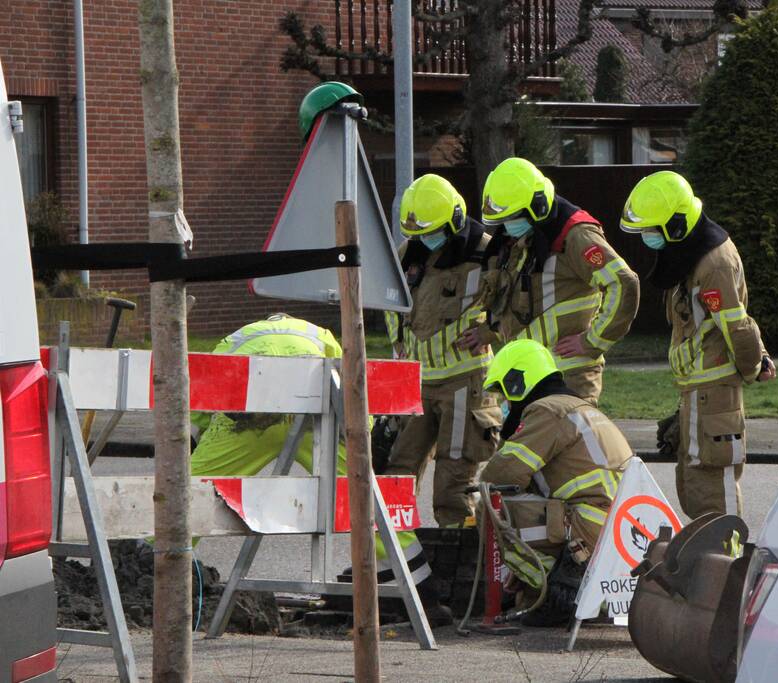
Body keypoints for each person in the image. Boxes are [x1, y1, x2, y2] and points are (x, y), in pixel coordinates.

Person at [190, 314, 451, 624]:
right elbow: (350, 388)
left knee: (191, 492)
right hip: (316, 419)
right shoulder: (319, 334)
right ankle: (424, 597)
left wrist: (198, 445)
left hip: (251, 421)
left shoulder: (232, 342)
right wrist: (362, 443)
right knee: (368, 497)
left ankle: (148, 563)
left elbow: (205, 399)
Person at [619, 171, 776, 519]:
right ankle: (708, 563)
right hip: (699, 392)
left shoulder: (713, 263)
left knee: (711, 489)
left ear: (677, 226)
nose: (647, 239)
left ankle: (727, 562)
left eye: (652, 231)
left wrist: (754, 365)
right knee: (693, 485)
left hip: (714, 393)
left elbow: (736, 325)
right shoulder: (691, 252)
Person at [458, 158, 640, 404]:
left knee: (568, 441)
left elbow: (623, 283)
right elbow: (516, 300)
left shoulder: (576, 235)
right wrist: (487, 331)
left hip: (567, 374)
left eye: (514, 217)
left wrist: (593, 340)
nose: (509, 224)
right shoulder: (522, 238)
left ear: (538, 206)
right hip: (526, 374)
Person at [479, 339, 632, 626]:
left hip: (589, 527)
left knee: (492, 505)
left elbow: (499, 476)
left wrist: (521, 562)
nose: (503, 404)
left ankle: (561, 592)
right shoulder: (576, 406)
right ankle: (562, 587)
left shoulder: (547, 410)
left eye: (504, 392)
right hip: (615, 527)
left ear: (518, 382)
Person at [383, 174, 503, 527]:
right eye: (418, 233)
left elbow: (513, 299)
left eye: (431, 231)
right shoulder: (410, 252)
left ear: (454, 219)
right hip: (417, 383)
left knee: (453, 481)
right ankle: (395, 555)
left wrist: (490, 331)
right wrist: (399, 346)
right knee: (397, 470)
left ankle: (458, 566)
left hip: (465, 383)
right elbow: (392, 303)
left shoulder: (486, 252)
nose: (425, 239)